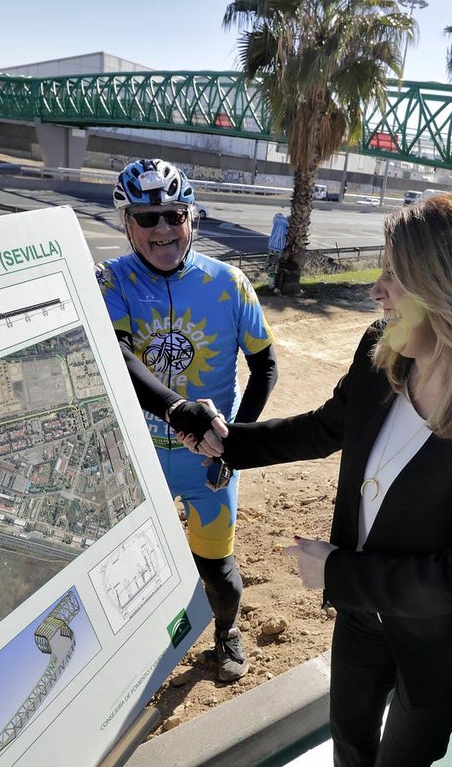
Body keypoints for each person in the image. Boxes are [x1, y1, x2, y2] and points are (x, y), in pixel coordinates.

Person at [187, 192, 452, 766]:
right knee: (351, 743)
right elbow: (325, 428)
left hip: (446, 638)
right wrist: (228, 441)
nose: (375, 290)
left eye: (395, 274)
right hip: (365, 615)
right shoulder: (383, 347)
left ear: (450, 289)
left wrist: (337, 570)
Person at [96, 158, 278, 681]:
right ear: (126, 224)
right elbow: (121, 357)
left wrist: (237, 439)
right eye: (146, 218)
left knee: (218, 572)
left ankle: (225, 632)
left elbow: (264, 362)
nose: (162, 229)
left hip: (210, 465)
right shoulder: (112, 280)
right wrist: (178, 409)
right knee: (124, 573)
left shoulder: (230, 282)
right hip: (138, 458)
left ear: (191, 218)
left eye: (173, 215)